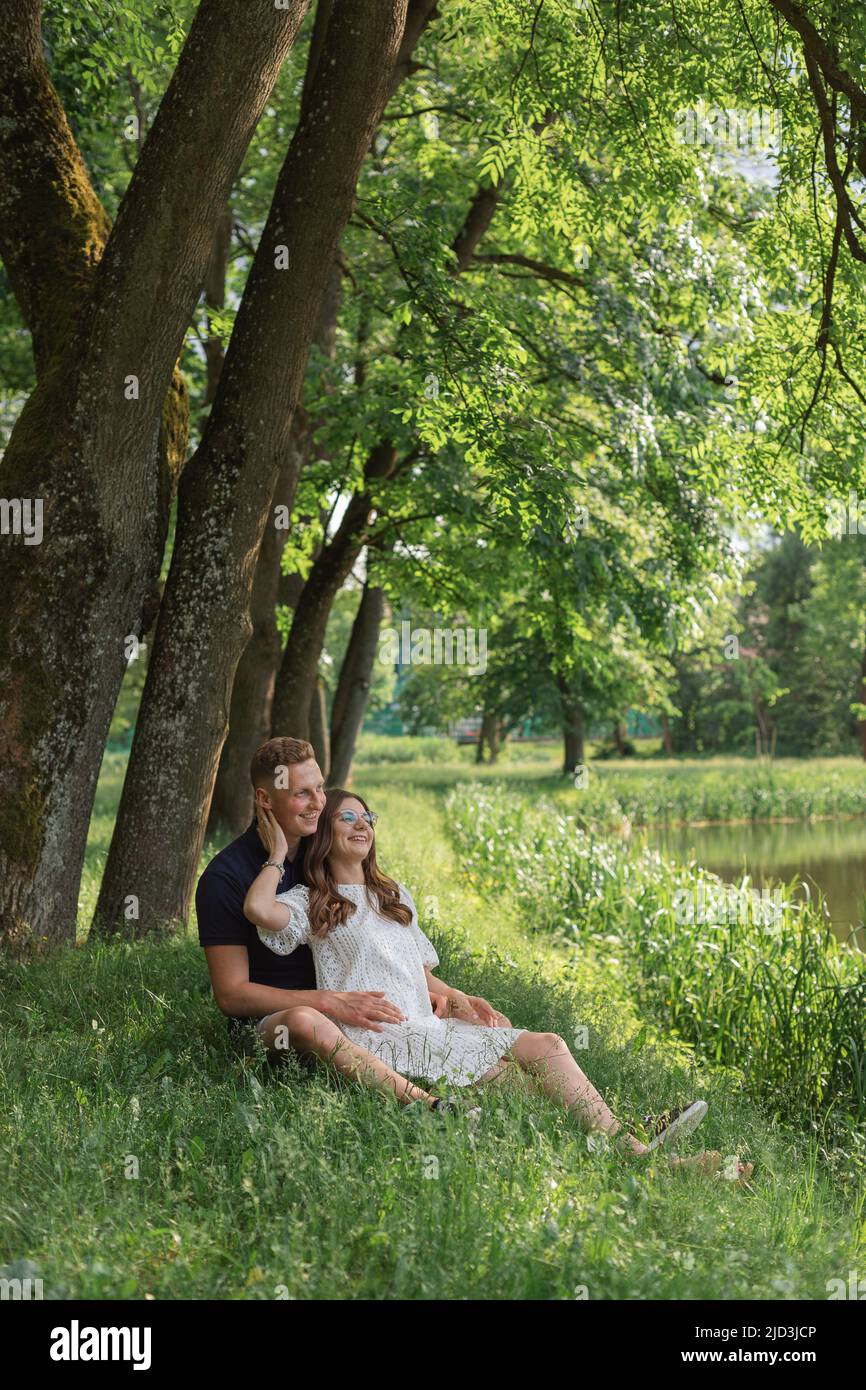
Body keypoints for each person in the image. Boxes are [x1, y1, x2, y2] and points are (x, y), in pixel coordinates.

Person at [245, 787, 752, 1181]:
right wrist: (278, 852)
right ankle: (647, 1153)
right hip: (381, 1037)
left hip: (430, 1025)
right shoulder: (312, 900)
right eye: (347, 818)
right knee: (520, 1086)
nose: (363, 825)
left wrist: (458, 997)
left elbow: (416, 972)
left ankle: (635, 1145)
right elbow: (258, 909)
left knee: (547, 1045)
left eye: (367, 817)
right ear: (323, 833)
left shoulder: (393, 894)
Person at [196, 736, 477, 1082]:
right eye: (302, 793)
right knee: (305, 1020)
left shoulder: (325, 851)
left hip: (350, 1014)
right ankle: (421, 1101)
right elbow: (231, 996)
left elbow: (371, 940)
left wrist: (426, 992)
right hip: (278, 1025)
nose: (318, 803)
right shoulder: (225, 877)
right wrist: (327, 1001)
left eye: (319, 788)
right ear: (265, 799)